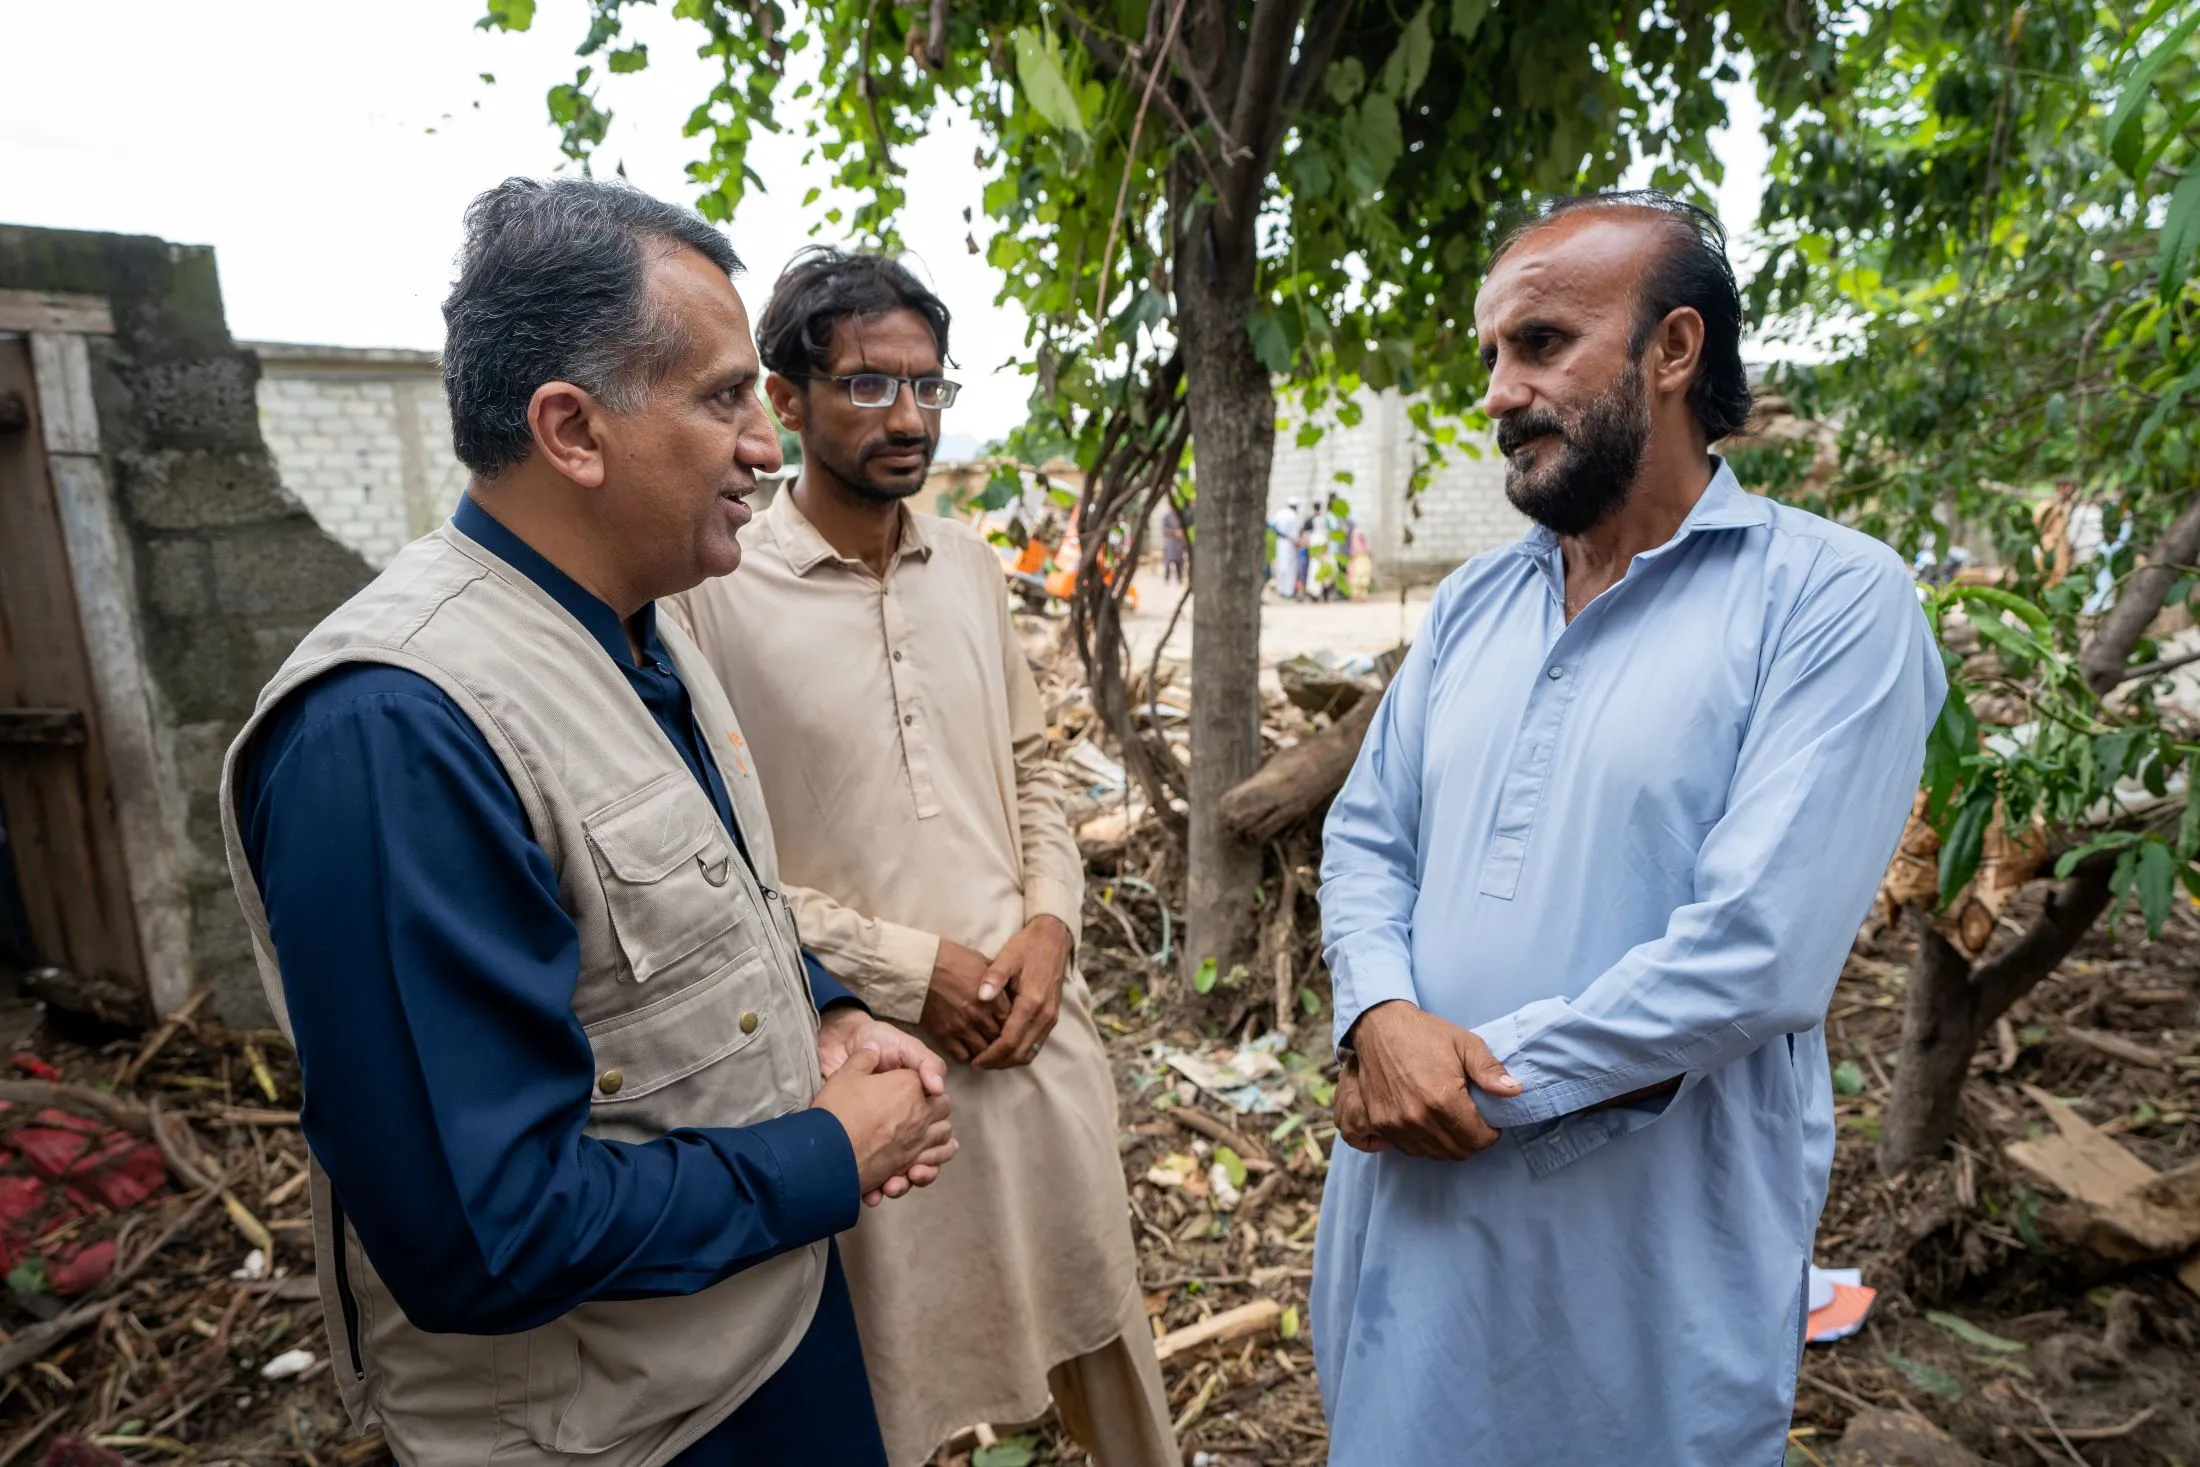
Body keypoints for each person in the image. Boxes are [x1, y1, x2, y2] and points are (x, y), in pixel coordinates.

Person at [219, 179, 956, 1467]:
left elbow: (699, 906)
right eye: (724, 398)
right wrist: (824, 1157)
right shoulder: (394, 734)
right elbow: (482, 1232)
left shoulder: (639, 625)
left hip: (758, 1342)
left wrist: (826, 1003)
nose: (764, 448)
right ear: (570, 428)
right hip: (621, 1433)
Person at [1312, 190, 1944, 1464]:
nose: (1497, 391)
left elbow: (1755, 953)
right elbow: (1367, 839)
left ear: (1673, 352)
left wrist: (1472, 1085)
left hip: (1641, 1253)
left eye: (1540, 344)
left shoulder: (1828, 601)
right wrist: (1379, 1019)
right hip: (1407, 1206)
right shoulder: (1474, 605)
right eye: (1492, 354)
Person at [671, 249, 1179, 1467]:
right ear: (784, 401)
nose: (908, 418)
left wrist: (1050, 929)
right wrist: (904, 971)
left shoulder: (968, 567)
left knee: (1101, 1337)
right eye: (865, 386)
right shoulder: (713, 593)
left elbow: (1037, 766)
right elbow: (711, 856)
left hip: (1034, 1042)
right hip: (871, 1070)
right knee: (897, 1385)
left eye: (929, 388)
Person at [1160, 500, 1187, 584]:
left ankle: (1179, 578)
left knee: (1179, 562)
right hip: (1170, 543)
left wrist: (1181, 533)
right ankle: (1166, 578)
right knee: (1168, 561)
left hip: (1178, 543)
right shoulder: (1166, 517)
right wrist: (1174, 532)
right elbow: (1164, 530)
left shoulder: (1180, 516)